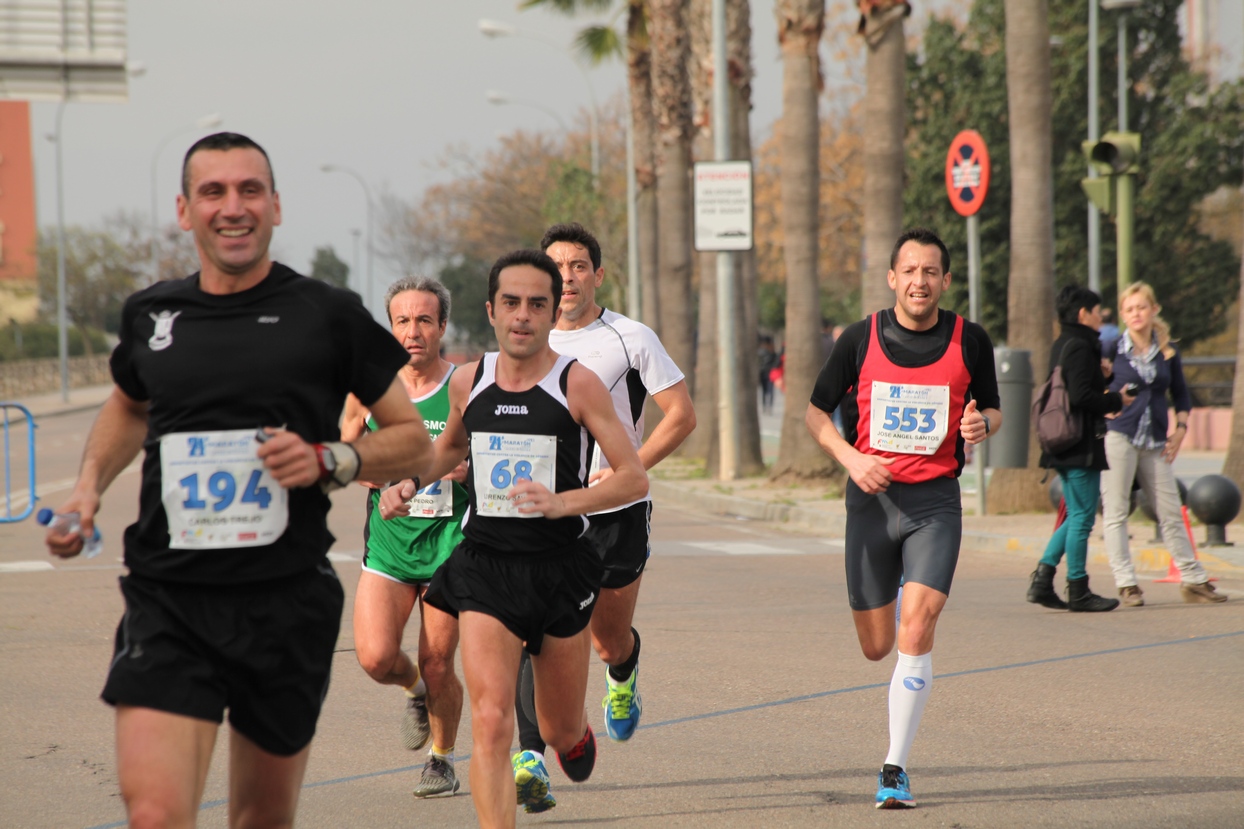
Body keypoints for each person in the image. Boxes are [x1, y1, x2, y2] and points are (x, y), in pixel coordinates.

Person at [44, 132, 432, 828]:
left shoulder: (327, 314)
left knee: (259, 819)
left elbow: (413, 441)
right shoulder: (153, 315)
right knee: (157, 814)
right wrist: (87, 489)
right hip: (169, 597)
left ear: (276, 206)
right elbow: (130, 404)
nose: (233, 206)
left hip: (283, 601)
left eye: (250, 189)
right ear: (184, 210)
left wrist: (329, 459)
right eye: (213, 191)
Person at [381, 249, 649, 829]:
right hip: (485, 566)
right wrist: (409, 480)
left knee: (558, 729)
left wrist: (563, 502)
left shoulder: (577, 384)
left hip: (559, 567)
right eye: (511, 303)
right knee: (494, 720)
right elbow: (450, 449)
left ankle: (574, 739)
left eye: (536, 304)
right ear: (491, 310)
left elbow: (632, 475)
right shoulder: (467, 379)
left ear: (554, 313)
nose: (523, 316)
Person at [805, 227, 1002, 810]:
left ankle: (895, 768)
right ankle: (892, 593)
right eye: (909, 271)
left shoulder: (971, 340)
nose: (920, 281)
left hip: (934, 503)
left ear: (944, 280)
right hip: (871, 502)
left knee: (919, 626)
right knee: (876, 646)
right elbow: (816, 413)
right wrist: (852, 458)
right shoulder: (859, 338)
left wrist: (981, 426)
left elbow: (991, 406)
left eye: (931, 271)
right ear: (893, 278)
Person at [502, 222, 696, 813]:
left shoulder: (629, 338)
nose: (567, 276)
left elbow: (680, 415)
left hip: (615, 511)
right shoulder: (526, 338)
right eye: (556, 266)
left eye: (579, 265)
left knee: (607, 640)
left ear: (598, 275)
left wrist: (625, 467)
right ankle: (530, 755)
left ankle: (623, 671)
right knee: (532, 629)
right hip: (543, 513)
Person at [340, 276, 470, 799]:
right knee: (374, 658)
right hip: (391, 545)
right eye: (401, 321)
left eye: (423, 320)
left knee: (440, 660)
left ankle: (441, 761)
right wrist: (368, 469)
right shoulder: (368, 389)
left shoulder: (464, 385)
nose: (412, 331)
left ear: (442, 326)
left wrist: (468, 468)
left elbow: (490, 449)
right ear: (388, 327)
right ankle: (416, 692)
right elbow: (342, 456)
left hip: (451, 546)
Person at [1101, 282, 1226, 606]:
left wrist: (1182, 427)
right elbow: (1092, 387)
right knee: (1116, 513)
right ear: (1123, 315)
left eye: (1141, 307)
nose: (1135, 314)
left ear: (1154, 310)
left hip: (1155, 440)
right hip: (1120, 436)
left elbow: (1181, 393)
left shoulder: (1168, 351)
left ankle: (1194, 579)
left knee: (1171, 511)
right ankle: (1126, 583)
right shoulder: (1112, 348)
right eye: (1129, 309)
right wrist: (1106, 403)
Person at [1026, 285, 1133, 613]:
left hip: (1062, 442)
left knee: (1075, 516)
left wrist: (1105, 377)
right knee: (1084, 517)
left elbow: (1075, 388)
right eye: (1097, 311)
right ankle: (1078, 589)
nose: (1102, 317)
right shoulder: (1081, 346)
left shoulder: (1063, 343)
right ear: (1083, 313)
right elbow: (1081, 397)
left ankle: (1043, 581)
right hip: (1078, 444)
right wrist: (1117, 398)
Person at [759, 335, 778, 414]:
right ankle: (768, 406)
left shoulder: (761, 351)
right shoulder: (772, 351)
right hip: (769, 373)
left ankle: (765, 406)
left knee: (765, 391)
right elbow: (776, 363)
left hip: (764, 373)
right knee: (769, 391)